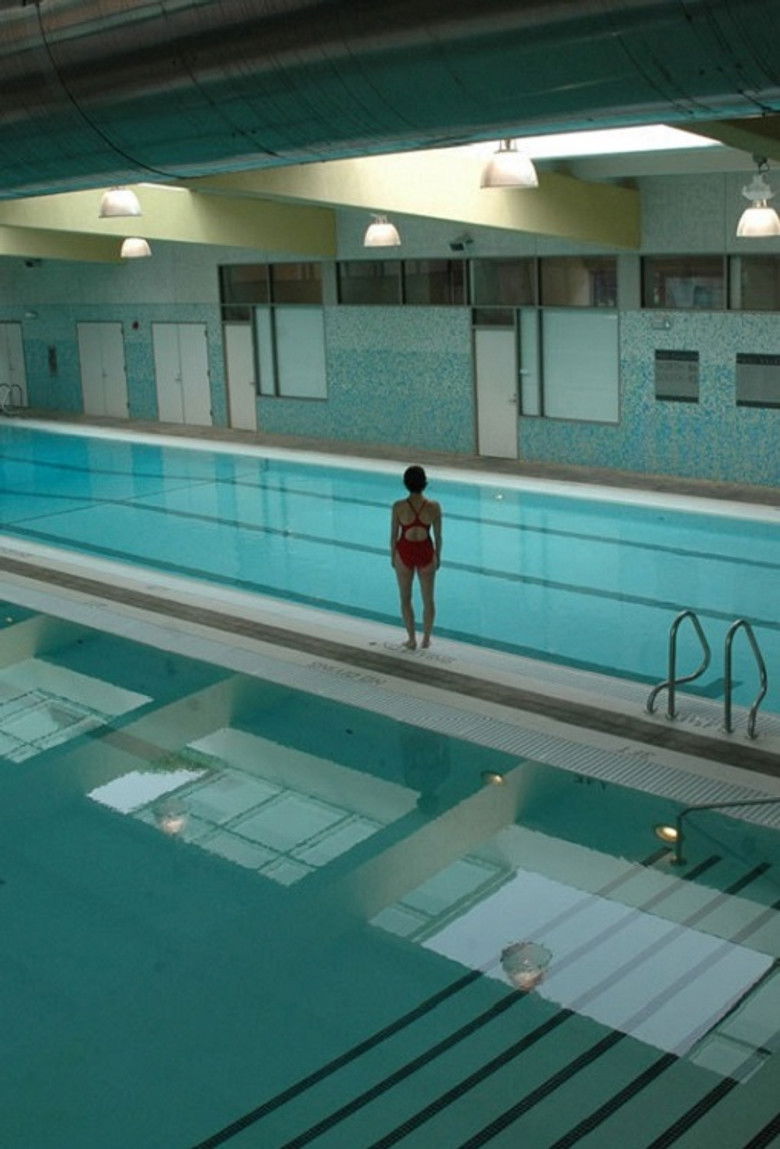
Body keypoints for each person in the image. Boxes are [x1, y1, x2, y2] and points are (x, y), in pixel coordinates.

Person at [390, 464, 442, 650]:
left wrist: (392, 556)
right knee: (428, 600)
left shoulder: (398, 507)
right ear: (424, 483)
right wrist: (438, 556)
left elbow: (393, 537)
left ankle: (411, 639)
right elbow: (438, 537)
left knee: (405, 598)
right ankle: (426, 639)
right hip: (426, 552)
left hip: (404, 552)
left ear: (406, 483)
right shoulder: (434, 507)